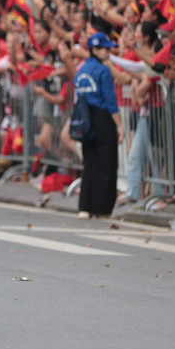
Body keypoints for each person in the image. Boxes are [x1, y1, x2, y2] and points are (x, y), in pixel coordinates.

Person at [74, 32, 124, 219]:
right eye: (105, 48)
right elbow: (110, 101)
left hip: (85, 119)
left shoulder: (82, 71)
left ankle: (85, 207)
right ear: (95, 50)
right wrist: (119, 126)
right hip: (102, 119)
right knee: (106, 164)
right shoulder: (103, 71)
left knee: (90, 163)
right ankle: (102, 209)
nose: (108, 52)